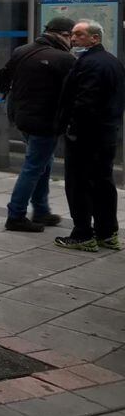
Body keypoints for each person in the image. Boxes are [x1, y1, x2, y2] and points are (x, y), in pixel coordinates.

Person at [0, 17, 76, 232]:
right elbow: (72, 93)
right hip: (46, 122)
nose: (73, 42)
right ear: (63, 35)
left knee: (42, 163)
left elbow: (2, 79)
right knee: (33, 166)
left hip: (22, 118)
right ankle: (16, 214)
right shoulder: (64, 59)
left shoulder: (22, 50)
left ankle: (41, 210)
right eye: (71, 36)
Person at [54, 20, 125, 251]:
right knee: (103, 182)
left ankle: (83, 234)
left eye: (80, 34)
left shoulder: (90, 63)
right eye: (73, 35)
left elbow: (85, 102)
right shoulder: (113, 62)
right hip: (107, 133)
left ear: (95, 38)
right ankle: (107, 233)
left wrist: (71, 129)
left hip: (85, 136)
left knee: (79, 184)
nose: (73, 38)